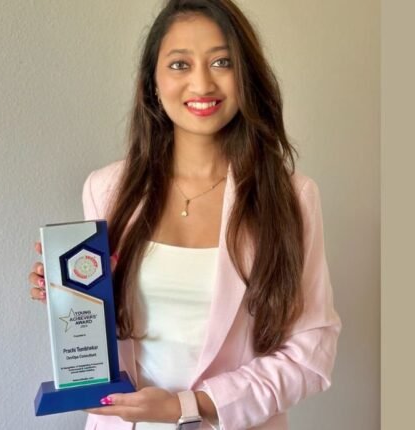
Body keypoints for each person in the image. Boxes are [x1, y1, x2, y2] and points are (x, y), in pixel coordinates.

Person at [28, 1, 341, 429]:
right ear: (153, 82)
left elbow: (311, 353)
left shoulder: (291, 197)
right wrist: (70, 295)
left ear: (245, 76)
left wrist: (187, 406)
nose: (202, 82)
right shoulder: (107, 190)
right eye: (180, 64)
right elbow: (102, 329)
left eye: (222, 62)